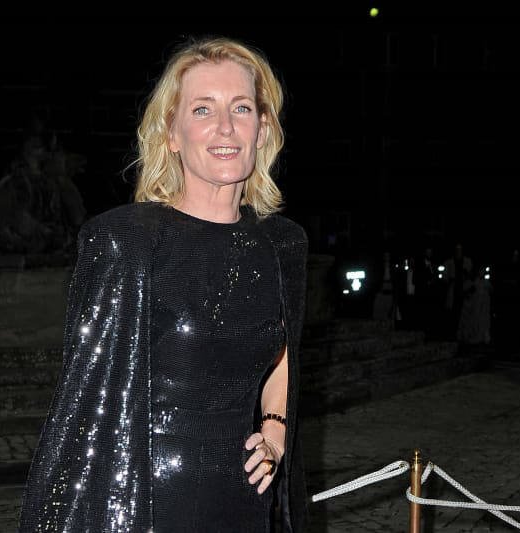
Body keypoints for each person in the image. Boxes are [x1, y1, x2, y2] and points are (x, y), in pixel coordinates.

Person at [18, 38, 308, 532]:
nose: (225, 127)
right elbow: (84, 411)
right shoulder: (126, 242)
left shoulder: (282, 245)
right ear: (171, 133)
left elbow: (284, 352)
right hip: (144, 503)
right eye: (202, 109)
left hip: (245, 501)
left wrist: (275, 431)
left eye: (241, 107)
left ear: (263, 129)